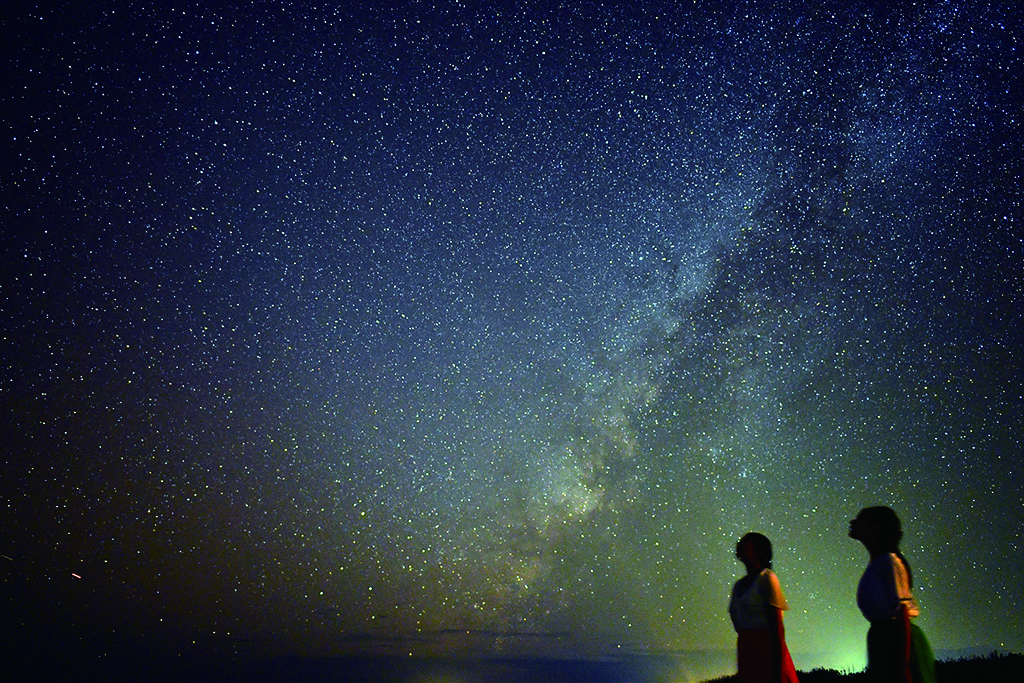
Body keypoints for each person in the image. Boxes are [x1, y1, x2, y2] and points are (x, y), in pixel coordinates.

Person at [848, 506, 936, 682]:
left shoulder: (889, 562)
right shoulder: (879, 563)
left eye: (860, 519)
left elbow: (902, 612)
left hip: (896, 642)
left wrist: (904, 667)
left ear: (876, 526)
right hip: (885, 642)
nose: (853, 522)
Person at [729, 532, 800, 683]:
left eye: (746, 542)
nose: (739, 544)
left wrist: (779, 673)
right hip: (747, 654)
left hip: (766, 652)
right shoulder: (738, 586)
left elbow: (777, 629)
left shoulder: (766, 578)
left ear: (757, 550)